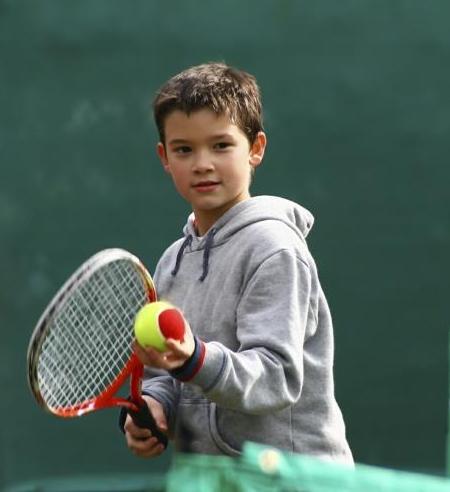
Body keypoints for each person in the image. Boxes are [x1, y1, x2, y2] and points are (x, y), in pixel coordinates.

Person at [121, 62, 353, 464]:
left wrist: (195, 358)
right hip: (216, 477)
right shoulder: (172, 262)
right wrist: (157, 407)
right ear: (164, 157)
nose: (202, 164)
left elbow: (276, 376)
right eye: (184, 149)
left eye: (221, 145)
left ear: (256, 149)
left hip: (295, 481)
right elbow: (167, 372)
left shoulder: (275, 248)